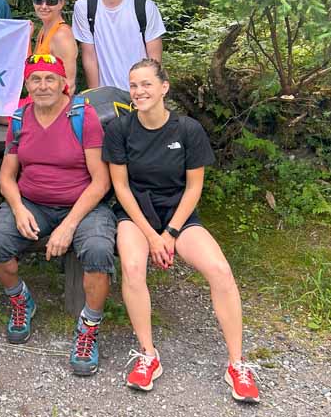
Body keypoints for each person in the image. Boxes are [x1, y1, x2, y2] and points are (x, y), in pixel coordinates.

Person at [102, 59, 260, 403]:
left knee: (220, 270)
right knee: (131, 267)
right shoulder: (120, 130)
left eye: (146, 84)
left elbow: (193, 188)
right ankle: (148, 355)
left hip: (179, 214)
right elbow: (121, 188)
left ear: (164, 87)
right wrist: (150, 235)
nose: (139, 92)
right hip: (136, 214)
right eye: (133, 85)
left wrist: (170, 233)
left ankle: (237, 364)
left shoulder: (187, 129)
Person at [0, 54, 116, 376]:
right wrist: (17, 207)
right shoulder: (19, 118)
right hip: (33, 203)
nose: (43, 86)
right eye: (35, 79)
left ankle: (88, 327)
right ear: (27, 85)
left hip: (83, 205)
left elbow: (101, 180)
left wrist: (69, 225)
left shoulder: (83, 116)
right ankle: (21, 299)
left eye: (49, 78)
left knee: (97, 250)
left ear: (63, 83)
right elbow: (7, 175)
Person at [72, 0, 166, 91]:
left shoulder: (145, 6)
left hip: (140, 94)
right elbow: (89, 56)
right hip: (106, 98)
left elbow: (154, 59)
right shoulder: (84, 7)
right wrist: (96, 97)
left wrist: (149, 94)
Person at [32, 0, 78, 94]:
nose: (43, 6)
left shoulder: (61, 35)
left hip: (52, 107)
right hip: (38, 101)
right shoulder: (43, 30)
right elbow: (31, 69)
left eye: (50, 1)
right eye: (38, 0)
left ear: (61, 3)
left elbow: (69, 85)